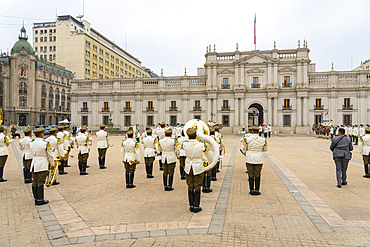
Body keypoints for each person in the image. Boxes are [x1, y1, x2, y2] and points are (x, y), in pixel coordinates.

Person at [183, 128, 208, 213]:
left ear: (188, 136)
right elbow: (205, 151)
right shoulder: (201, 144)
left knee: (190, 186)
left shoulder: (185, 144)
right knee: (197, 186)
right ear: (196, 135)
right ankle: (196, 206)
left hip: (188, 167)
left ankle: (191, 205)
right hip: (198, 166)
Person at [240, 125, 268, 195]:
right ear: (258, 132)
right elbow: (265, 149)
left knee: (251, 174)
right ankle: (257, 190)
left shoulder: (247, 139)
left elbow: (243, 148)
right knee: (258, 174)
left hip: (249, 158)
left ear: (252, 131)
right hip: (259, 158)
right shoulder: (263, 140)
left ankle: (251, 189)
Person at [30, 127, 54, 205]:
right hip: (42, 163)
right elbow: (50, 155)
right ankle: (40, 199)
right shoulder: (45, 143)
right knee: (40, 181)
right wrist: (52, 164)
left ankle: (36, 198)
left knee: (35, 181)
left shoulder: (32, 142)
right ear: (41, 134)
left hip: (34, 163)